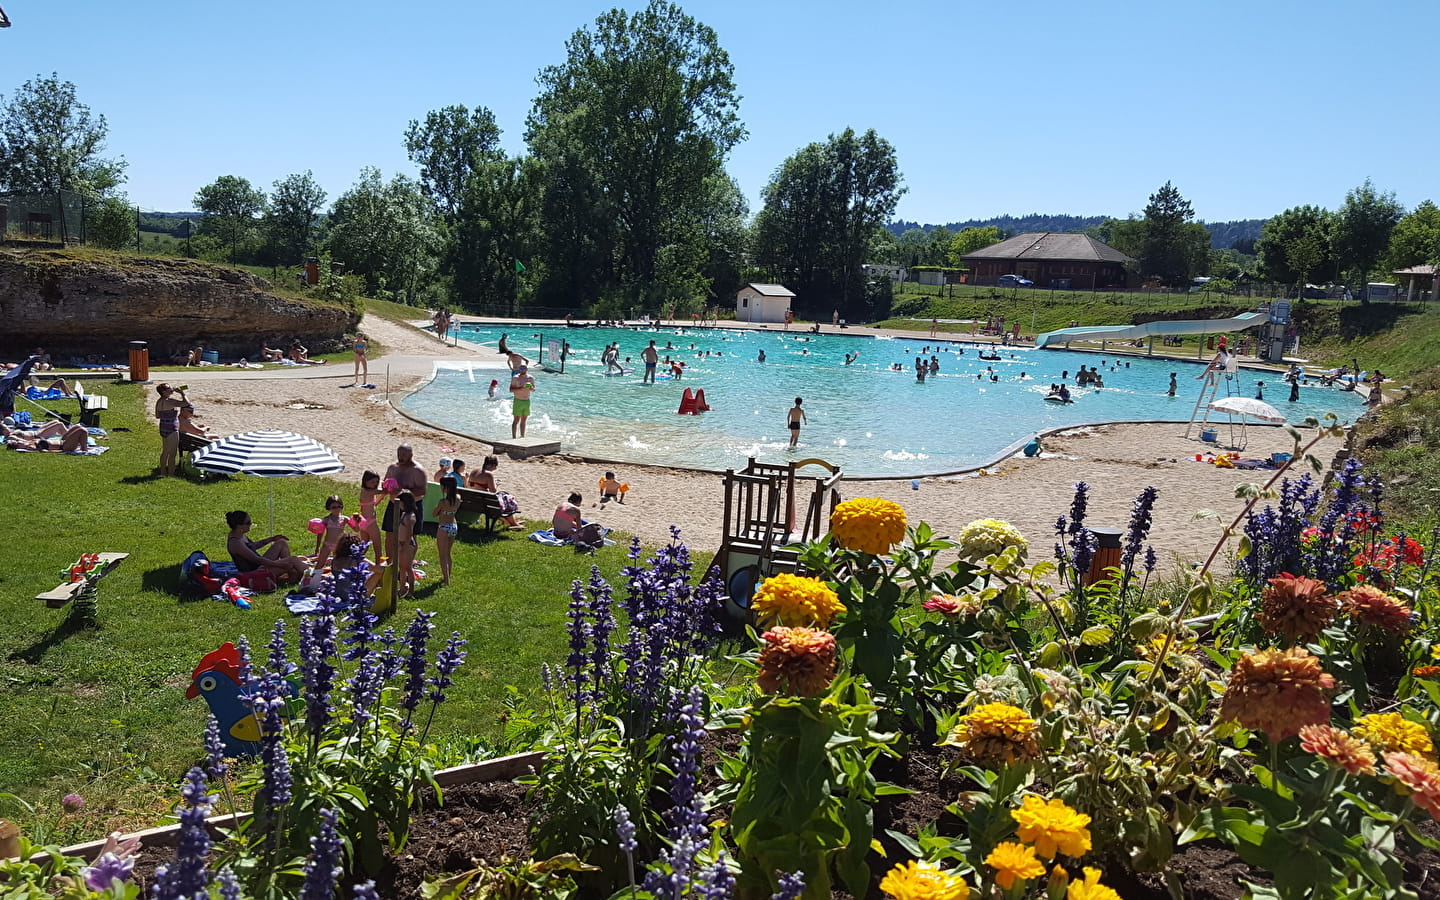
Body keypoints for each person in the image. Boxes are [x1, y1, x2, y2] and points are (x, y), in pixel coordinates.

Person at [225, 510, 310, 583]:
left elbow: (253, 546)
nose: (250, 524)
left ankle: (292, 573)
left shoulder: (239, 534)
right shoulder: (235, 543)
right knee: (293, 560)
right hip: (254, 573)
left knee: (281, 543)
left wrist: (272, 539)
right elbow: (258, 560)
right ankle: (312, 576)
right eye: (248, 523)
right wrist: (282, 564)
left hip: (259, 566)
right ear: (239, 526)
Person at [382, 445, 427, 563]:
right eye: (399, 454)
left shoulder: (418, 470)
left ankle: (407, 563)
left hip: (411, 507)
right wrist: (387, 487)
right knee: (390, 534)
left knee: (410, 536)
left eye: (404, 455)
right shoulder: (393, 468)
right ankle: (390, 563)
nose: (400, 457)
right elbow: (385, 483)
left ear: (411, 455)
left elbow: (422, 491)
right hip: (393, 504)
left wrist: (404, 492)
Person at [467, 455, 524, 529]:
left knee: (501, 500)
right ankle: (513, 523)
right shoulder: (489, 474)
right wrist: (496, 484)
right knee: (506, 499)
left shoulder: (474, 471)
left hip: (473, 500)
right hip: (484, 503)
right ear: (493, 465)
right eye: (496, 466)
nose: (496, 468)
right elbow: (493, 491)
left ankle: (510, 522)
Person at [155, 383, 188, 476]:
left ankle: (162, 472)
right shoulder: (170, 401)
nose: (171, 390)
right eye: (169, 389)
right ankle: (171, 474)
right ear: (164, 392)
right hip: (172, 428)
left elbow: (157, 416)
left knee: (165, 451)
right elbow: (186, 403)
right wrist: (182, 393)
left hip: (163, 427)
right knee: (173, 453)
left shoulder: (159, 401)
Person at [433, 475, 461, 586]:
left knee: (442, 556)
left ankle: (446, 581)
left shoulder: (443, 502)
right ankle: (448, 575)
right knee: (448, 553)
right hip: (453, 526)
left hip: (443, 528)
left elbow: (434, 513)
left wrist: (440, 511)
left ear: (445, 488)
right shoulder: (458, 498)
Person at [312, 495, 347, 572]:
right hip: (327, 544)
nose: (337, 509)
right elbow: (320, 533)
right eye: (334, 507)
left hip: (338, 545)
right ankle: (314, 579)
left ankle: (338, 579)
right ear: (329, 508)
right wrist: (317, 547)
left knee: (339, 564)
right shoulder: (326, 520)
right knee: (320, 564)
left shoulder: (345, 519)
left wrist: (357, 522)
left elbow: (356, 529)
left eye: (339, 507)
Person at [394, 490, 419, 598]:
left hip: (407, 544)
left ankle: (411, 591)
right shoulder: (404, 514)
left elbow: (409, 534)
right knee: (401, 567)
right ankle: (402, 587)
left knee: (408, 567)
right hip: (401, 543)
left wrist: (404, 547)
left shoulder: (410, 517)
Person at [4, 421, 89, 452]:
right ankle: (84, 449)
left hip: (62, 440)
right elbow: (47, 451)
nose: (19, 441)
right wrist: (61, 452)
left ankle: (82, 444)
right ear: (18, 446)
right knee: (83, 431)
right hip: (64, 446)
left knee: (78, 427)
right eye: (18, 442)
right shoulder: (32, 447)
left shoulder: (28, 442)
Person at [357, 470, 384, 566]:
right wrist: (387, 489)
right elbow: (384, 490)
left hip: (363, 523)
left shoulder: (365, 492)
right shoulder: (369, 492)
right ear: (365, 481)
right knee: (378, 548)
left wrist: (382, 496)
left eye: (376, 482)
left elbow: (374, 503)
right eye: (372, 482)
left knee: (363, 547)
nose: (375, 484)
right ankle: (378, 568)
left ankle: (356, 563)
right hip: (370, 523)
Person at [510, 366, 535, 438]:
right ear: (519, 369)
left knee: (524, 420)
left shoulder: (530, 378)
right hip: (518, 400)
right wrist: (521, 388)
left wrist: (531, 388)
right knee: (516, 420)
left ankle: (522, 436)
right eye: (521, 368)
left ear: (527, 369)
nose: (522, 370)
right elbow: (511, 390)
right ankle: (514, 437)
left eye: (524, 368)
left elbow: (533, 389)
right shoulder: (515, 378)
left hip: (526, 401)